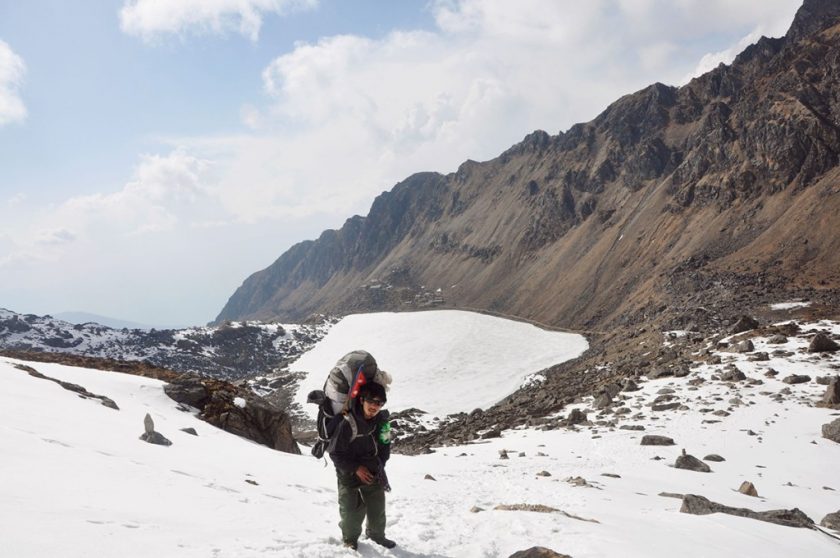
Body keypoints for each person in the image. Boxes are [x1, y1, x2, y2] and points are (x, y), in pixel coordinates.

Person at [328, 381, 396, 550]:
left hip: (372, 469)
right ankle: (350, 539)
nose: (375, 406)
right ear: (361, 400)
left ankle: (376, 535)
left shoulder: (382, 421)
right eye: (371, 401)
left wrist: (379, 463)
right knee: (351, 510)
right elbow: (335, 453)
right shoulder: (347, 422)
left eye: (379, 403)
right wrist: (356, 468)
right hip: (348, 472)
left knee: (377, 506)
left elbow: (385, 445)